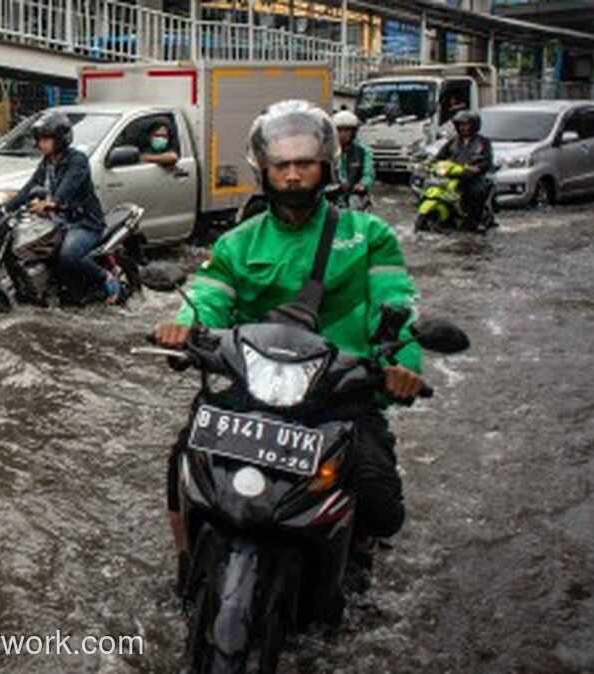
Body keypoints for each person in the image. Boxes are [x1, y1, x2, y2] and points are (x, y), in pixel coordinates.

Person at [151, 100, 425, 593]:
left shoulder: (368, 236)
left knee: (382, 504)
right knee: (182, 460)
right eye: (283, 165)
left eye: (304, 164)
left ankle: (353, 553)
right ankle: (186, 564)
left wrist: (402, 363)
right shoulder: (238, 242)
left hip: (337, 393)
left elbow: (397, 304)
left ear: (326, 166)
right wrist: (182, 329)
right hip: (250, 391)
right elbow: (208, 299)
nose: (294, 175)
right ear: (266, 170)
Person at [5, 111, 119, 303]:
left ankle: (106, 277)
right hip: (57, 222)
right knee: (26, 248)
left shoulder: (78, 161)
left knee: (68, 255)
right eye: (39, 139)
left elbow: (68, 187)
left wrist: (52, 202)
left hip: (84, 223)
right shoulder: (47, 162)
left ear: (60, 139)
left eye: (46, 139)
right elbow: (31, 186)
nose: (42, 144)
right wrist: (8, 206)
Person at [436, 109, 495, 229]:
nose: (463, 128)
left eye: (466, 124)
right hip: (452, 177)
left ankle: (476, 220)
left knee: (476, 192)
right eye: (460, 125)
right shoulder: (453, 141)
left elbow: (487, 161)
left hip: (473, 178)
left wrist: (476, 168)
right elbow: (440, 156)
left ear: (474, 125)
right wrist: (431, 163)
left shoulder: (483, 142)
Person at [332, 110, 374, 201]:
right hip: (333, 194)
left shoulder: (363, 151)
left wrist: (363, 184)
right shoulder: (329, 150)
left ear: (354, 132)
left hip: (354, 195)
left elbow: (368, 173)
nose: (343, 134)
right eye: (339, 130)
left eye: (347, 130)